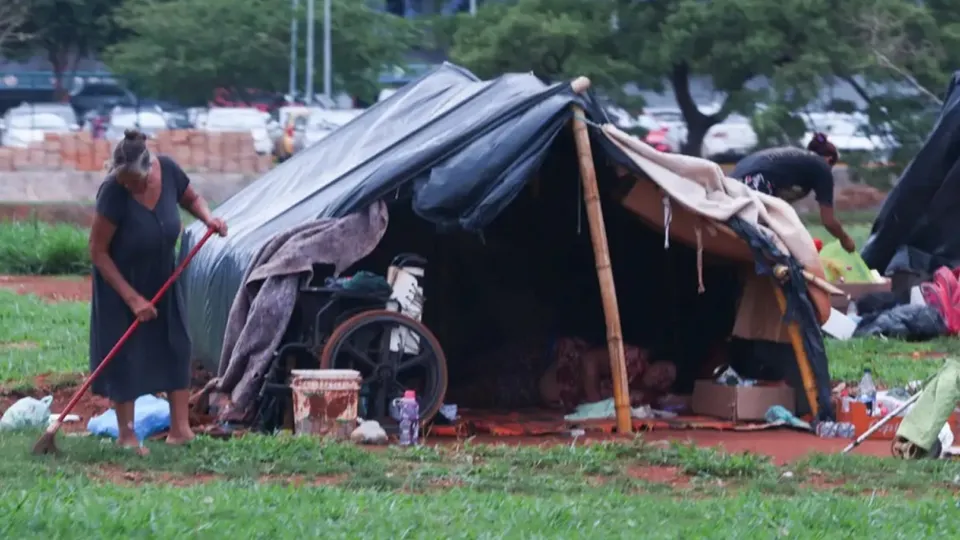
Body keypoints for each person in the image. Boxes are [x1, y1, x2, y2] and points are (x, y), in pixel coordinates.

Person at [88, 129, 227, 454]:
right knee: (127, 355)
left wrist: (208, 219)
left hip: (163, 275)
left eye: (134, 182)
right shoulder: (113, 192)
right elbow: (97, 251)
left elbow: (191, 198)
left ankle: (181, 430)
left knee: (177, 344)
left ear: (150, 169)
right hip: (122, 281)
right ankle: (127, 436)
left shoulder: (169, 170)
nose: (129, 187)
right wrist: (133, 299)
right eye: (123, 181)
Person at [731, 132, 856, 253]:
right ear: (829, 159)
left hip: (731, 184)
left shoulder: (795, 159)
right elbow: (828, 221)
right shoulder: (822, 166)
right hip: (756, 183)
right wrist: (846, 240)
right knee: (776, 244)